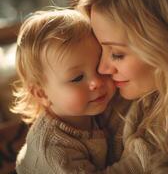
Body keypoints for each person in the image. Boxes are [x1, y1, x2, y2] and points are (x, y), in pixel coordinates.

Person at [77, 0, 168, 173]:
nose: (102, 69)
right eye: (102, 51)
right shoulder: (124, 103)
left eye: (117, 54)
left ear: (167, 44)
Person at [12, 9, 119, 173]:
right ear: (42, 94)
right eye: (77, 78)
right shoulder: (53, 152)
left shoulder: (101, 109)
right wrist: (140, 160)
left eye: (98, 67)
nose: (97, 82)